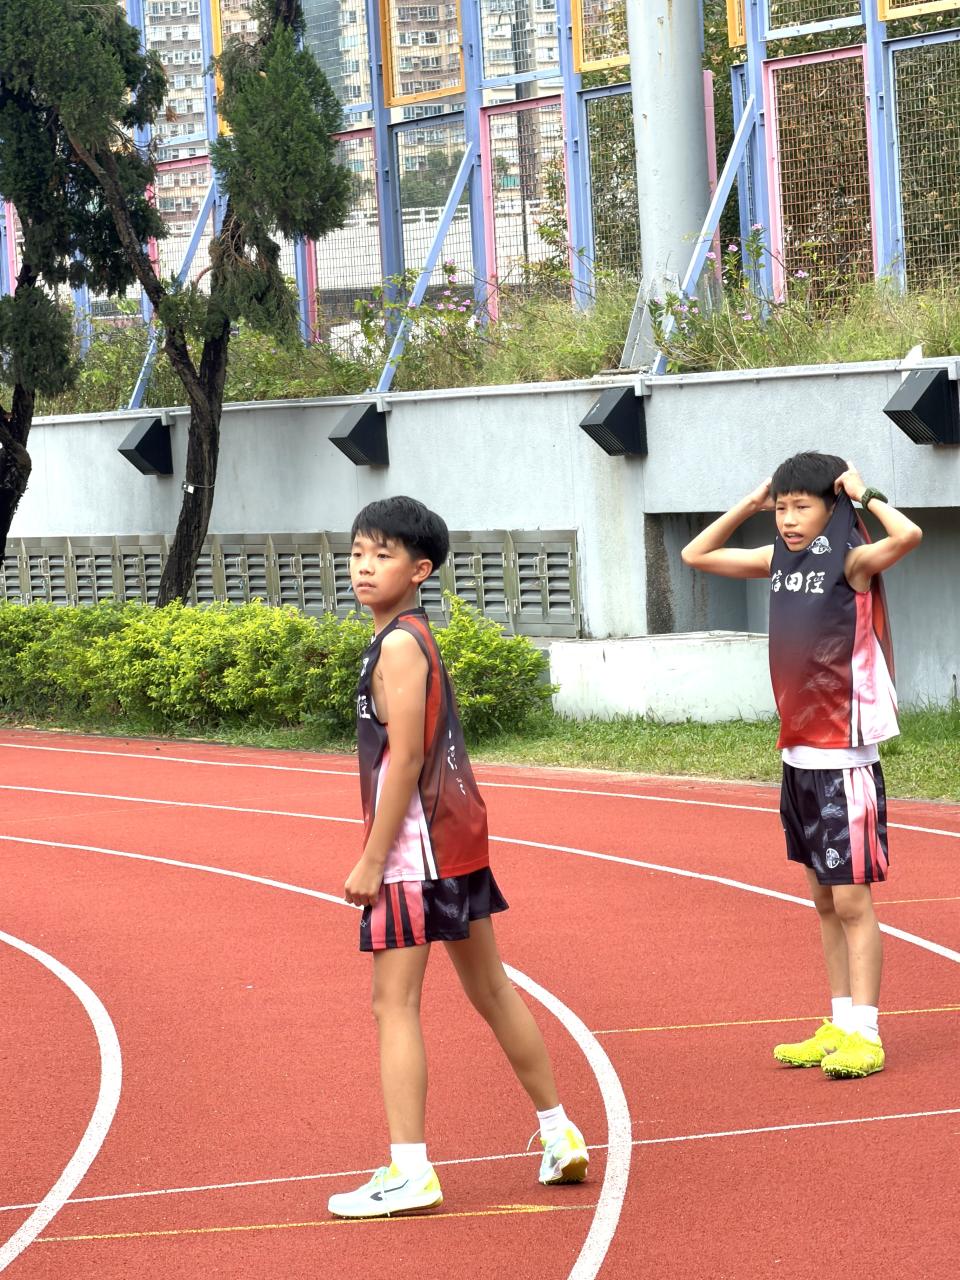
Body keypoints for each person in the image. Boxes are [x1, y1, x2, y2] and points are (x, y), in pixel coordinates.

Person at [327, 495, 588, 1218]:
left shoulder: (399, 645)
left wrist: (372, 859)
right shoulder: (411, 637)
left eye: (382, 555)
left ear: (420, 570)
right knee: (492, 989)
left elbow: (406, 757)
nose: (364, 567)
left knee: (393, 1003)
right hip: (454, 840)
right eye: (357, 553)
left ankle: (410, 1170)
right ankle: (558, 1132)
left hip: (416, 850)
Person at [681, 453, 922, 1079]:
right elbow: (695, 555)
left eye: (801, 507)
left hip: (843, 758)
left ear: (831, 506)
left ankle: (866, 1033)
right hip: (797, 758)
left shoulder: (852, 561)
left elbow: (908, 536)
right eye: (782, 508)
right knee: (822, 900)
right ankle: (838, 1022)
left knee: (852, 901)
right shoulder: (777, 560)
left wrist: (864, 494)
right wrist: (751, 501)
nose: (788, 520)